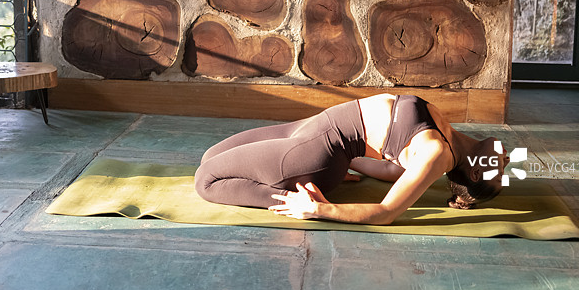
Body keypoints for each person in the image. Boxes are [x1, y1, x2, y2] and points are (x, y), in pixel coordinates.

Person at [194, 93, 509, 225]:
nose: (506, 162)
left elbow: (386, 211)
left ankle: (290, 197)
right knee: (211, 155)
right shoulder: (447, 136)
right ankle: (313, 177)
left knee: (206, 179)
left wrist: (320, 209)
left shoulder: (437, 154)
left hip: (312, 152)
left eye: (498, 174)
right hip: (312, 132)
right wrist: (348, 163)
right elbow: (389, 167)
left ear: (475, 174)